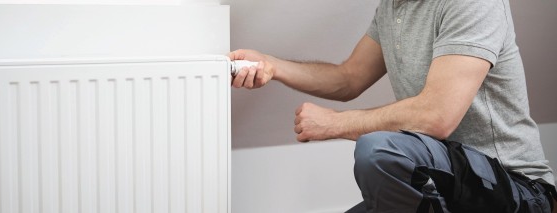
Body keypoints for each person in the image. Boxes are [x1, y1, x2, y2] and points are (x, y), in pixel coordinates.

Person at [228, 0, 557, 212]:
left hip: (515, 189)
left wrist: (335, 124)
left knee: (380, 150)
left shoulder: (470, 3)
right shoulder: (393, 8)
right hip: (439, 180)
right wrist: (271, 64)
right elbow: (348, 78)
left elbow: (435, 116)